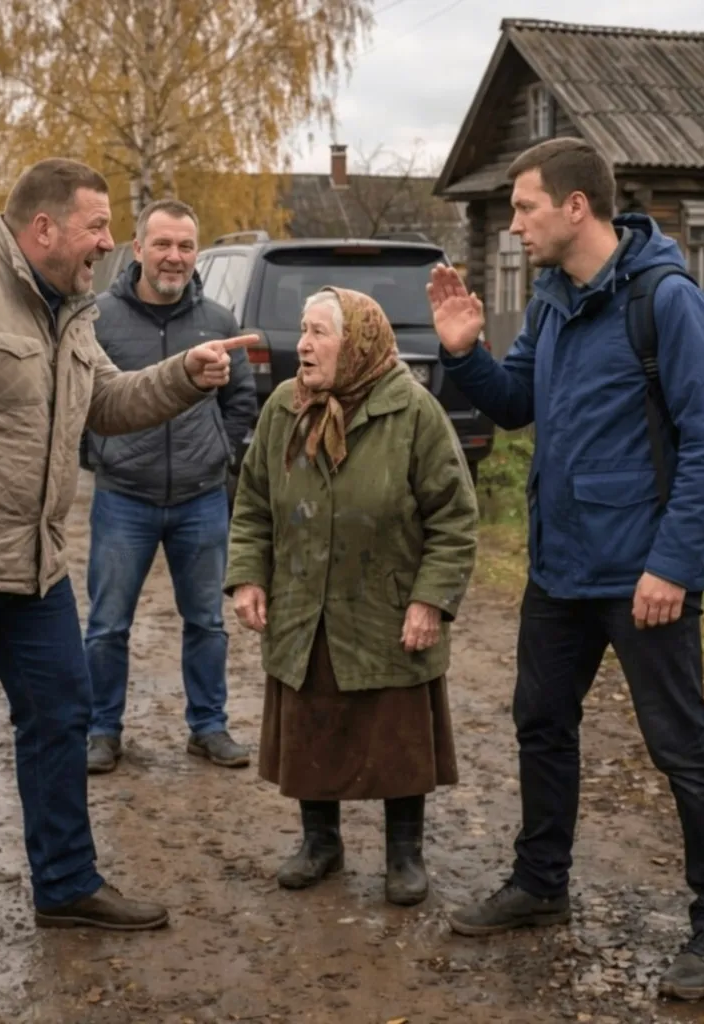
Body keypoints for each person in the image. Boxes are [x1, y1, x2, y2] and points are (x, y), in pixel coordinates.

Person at [0, 157, 257, 1010]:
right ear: (44, 229)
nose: (110, 243)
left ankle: (66, 883)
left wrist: (185, 375)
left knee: (63, 714)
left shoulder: (69, 306)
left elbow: (106, 403)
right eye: (97, 227)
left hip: (30, 565)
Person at [429, 137, 704, 1001]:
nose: (514, 225)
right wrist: (464, 353)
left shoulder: (666, 300)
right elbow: (517, 405)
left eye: (525, 207)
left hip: (645, 575)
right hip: (561, 566)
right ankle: (541, 883)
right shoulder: (552, 301)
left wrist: (672, 565)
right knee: (540, 723)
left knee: (681, 747)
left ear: (577, 207)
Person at [225, 286, 478, 905]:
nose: (303, 346)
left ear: (358, 344)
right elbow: (253, 501)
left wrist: (430, 600)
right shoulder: (285, 407)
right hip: (304, 601)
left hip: (385, 605)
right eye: (303, 331)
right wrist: (249, 575)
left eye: (319, 333)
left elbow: (454, 517)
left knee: (397, 733)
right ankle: (321, 843)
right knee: (311, 720)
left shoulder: (413, 411)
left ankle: (404, 854)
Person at [81, 198, 256, 775]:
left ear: (196, 253)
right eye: (162, 244)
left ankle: (208, 727)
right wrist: (100, 455)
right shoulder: (99, 319)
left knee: (206, 622)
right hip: (123, 499)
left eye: (185, 246)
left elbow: (241, 402)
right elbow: (78, 402)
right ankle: (101, 730)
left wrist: (220, 455)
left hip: (200, 500)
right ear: (138, 249)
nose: (174, 256)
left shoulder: (219, 322)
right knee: (107, 625)